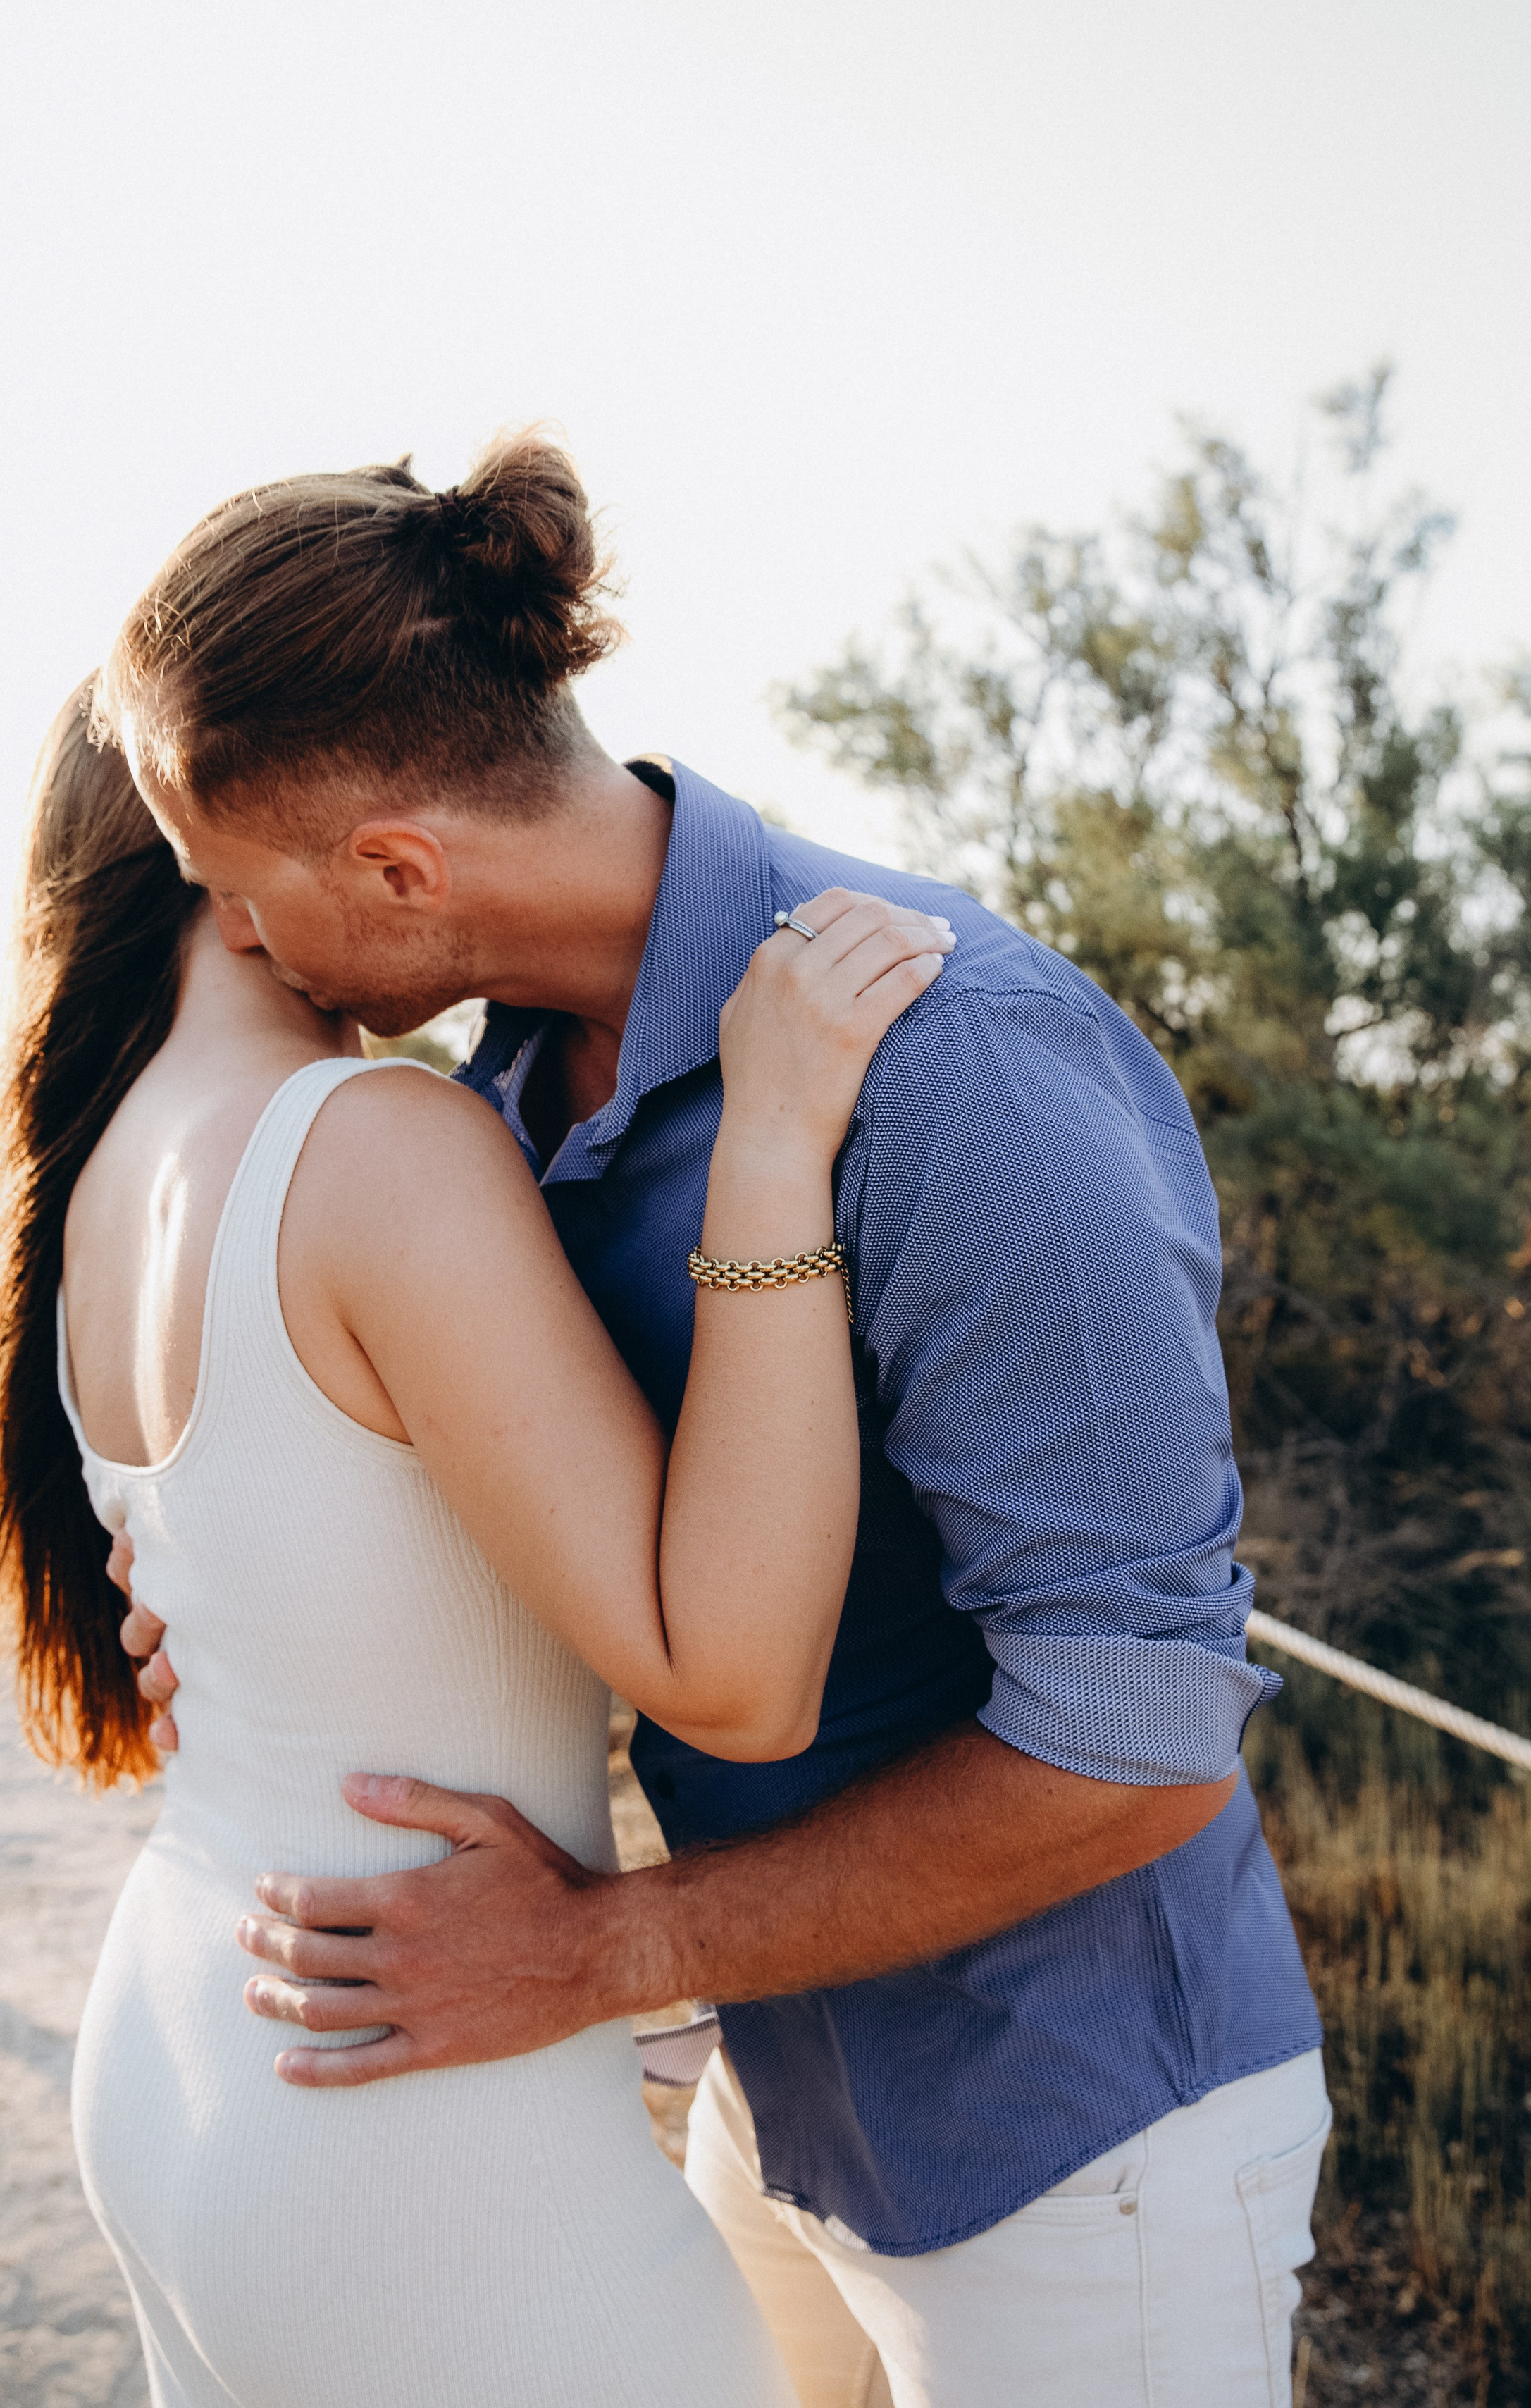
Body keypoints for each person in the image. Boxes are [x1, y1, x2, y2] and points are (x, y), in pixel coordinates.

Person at [101, 431, 1331, 2408]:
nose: (237, 937)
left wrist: (602, 1953)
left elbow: (1140, 1735)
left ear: (399, 868)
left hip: (1080, 2146)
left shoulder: (961, 1068)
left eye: (232, 888)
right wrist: (251, 1594)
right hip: (779, 2072)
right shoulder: (507, 1096)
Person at [0, 672, 953, 2408]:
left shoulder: (100, 1174)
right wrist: (768, 1145)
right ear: (224, 855)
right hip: (400, 2126)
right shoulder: (374, 1142)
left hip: (194, 2046)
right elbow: (739, 1676)